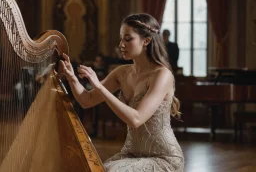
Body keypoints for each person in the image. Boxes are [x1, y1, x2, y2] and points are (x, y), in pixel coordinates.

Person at [60, 13, 184, 171]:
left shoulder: (162, 75)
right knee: (91, 168)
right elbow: (86, 100)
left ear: (146, 40)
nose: (121, 44)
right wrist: (72, 78)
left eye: (128, 39)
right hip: (131, 154)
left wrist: (99, 87)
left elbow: (136, 119)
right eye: (121, 39)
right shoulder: (122, 73)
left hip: (163, 158)